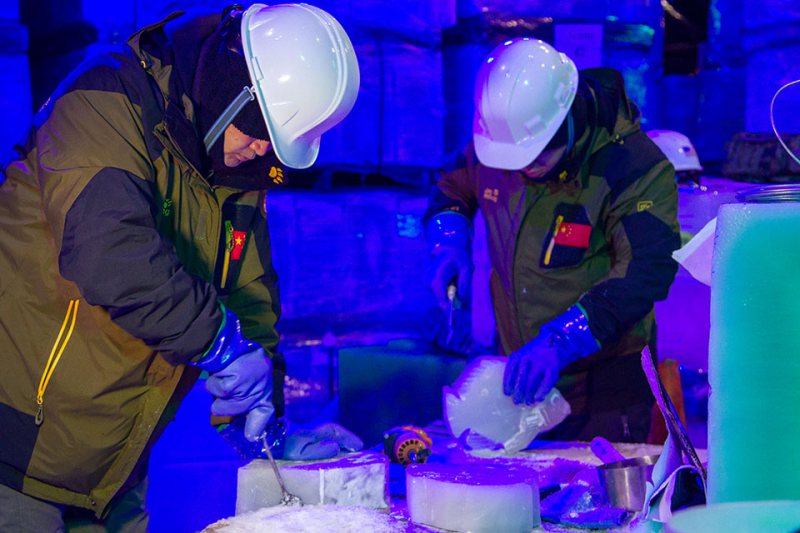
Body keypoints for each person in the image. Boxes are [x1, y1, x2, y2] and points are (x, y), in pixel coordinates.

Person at [0, 3, 360, 530]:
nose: (262, 149)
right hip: (16, 456)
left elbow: (250, 293)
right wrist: (219, 343)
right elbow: (109, 250)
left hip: (114, 467)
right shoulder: (106, 101)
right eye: (257, 128)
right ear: (227, 85)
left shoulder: (235, 166)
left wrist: (267, 423)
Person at [426, 38, 681, 443]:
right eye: (513, 160)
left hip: (607, 392)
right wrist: (448, 244)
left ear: (570, 116)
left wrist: (563, 338)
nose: (525, 168)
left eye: (539, 155)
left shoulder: (635, 167)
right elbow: (451, 187)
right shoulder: (500, 142)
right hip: (522, 379)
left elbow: (646, 270)